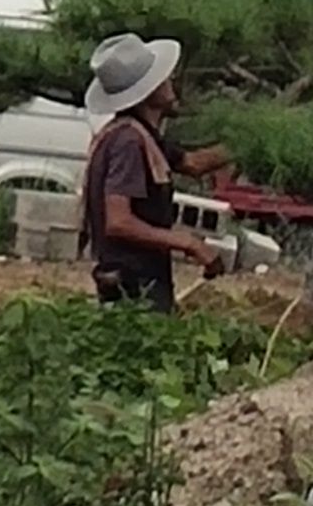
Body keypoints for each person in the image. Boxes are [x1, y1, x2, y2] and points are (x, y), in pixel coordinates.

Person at [77, 33, 225, 308]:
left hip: (139, 281)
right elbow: (118, 221)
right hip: (134, 287)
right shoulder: (129, 143)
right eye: (164, 78)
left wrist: (250, 143)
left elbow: (193, 163)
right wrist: (189, 244)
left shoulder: (138, 134)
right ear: (149, 91)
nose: (170, 81)